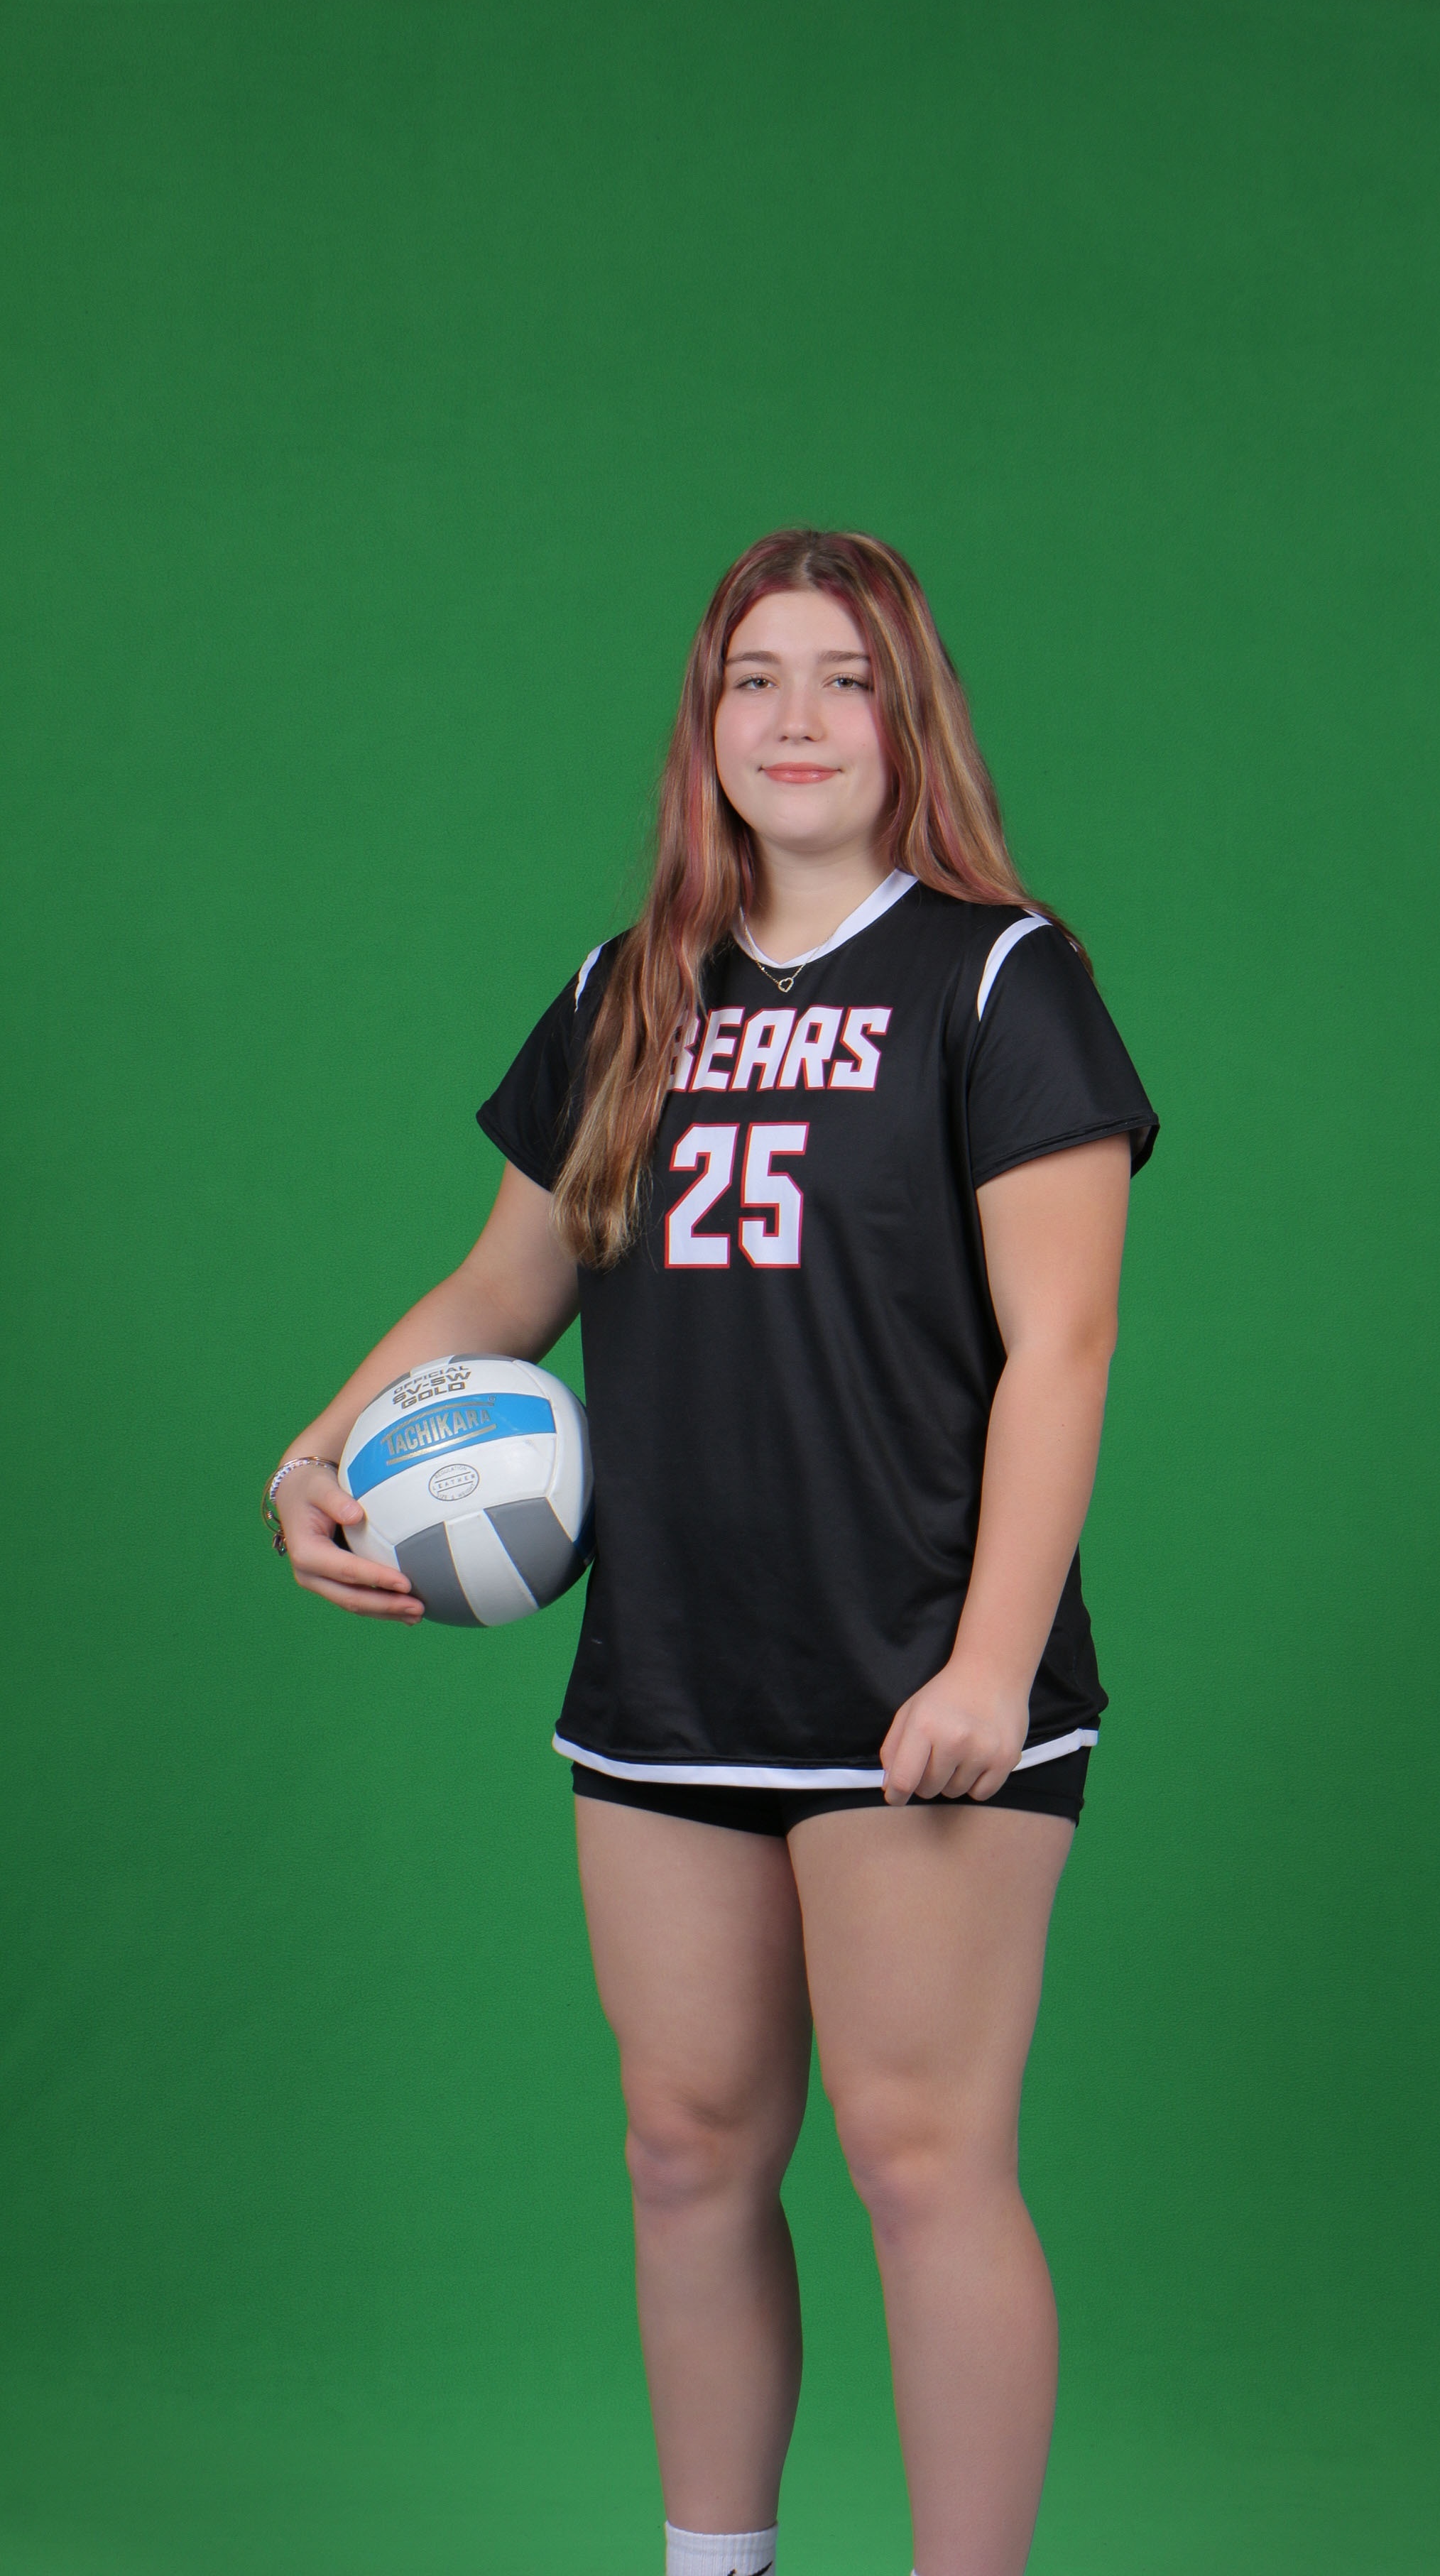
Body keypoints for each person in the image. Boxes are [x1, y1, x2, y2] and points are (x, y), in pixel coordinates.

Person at [266, 529, 1156, 2576]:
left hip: (921, 1673)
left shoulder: (999, 977)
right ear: (707, 724)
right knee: (683, 2153)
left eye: (844, 678)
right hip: (671, 1673)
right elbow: (502, 1293)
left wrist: (990, 1665)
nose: (797, 718)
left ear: (909, 718)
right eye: (756, 678)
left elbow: (1067, 1345)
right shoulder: (628, 992)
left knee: (920, 2163)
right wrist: (313, 1452)